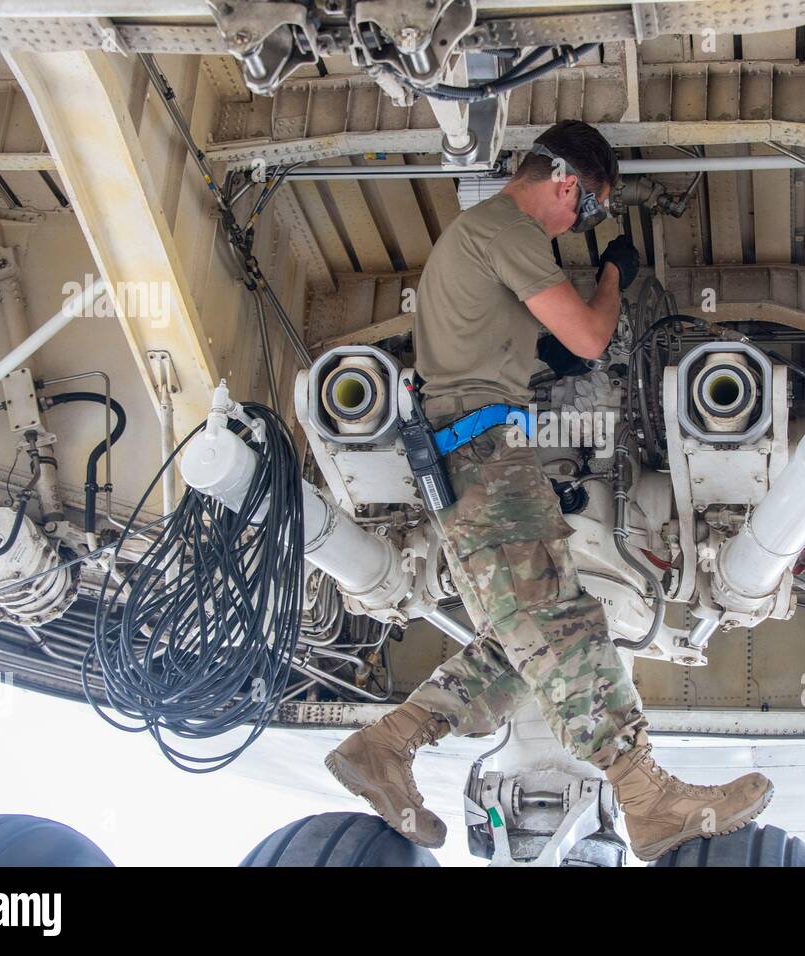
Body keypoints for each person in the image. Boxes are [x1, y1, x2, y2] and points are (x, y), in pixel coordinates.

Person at [325, 120, 773, 862]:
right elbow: (594, 339)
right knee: (564, 624)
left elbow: (558, 347)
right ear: (565, 181)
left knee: (522, 645)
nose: (580, 225)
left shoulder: (487, 239)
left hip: (472, 450)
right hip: (483, 456)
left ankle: (388, 746)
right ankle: (644, 792)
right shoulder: (508, 226)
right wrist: (610, 279)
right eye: (590, 209)